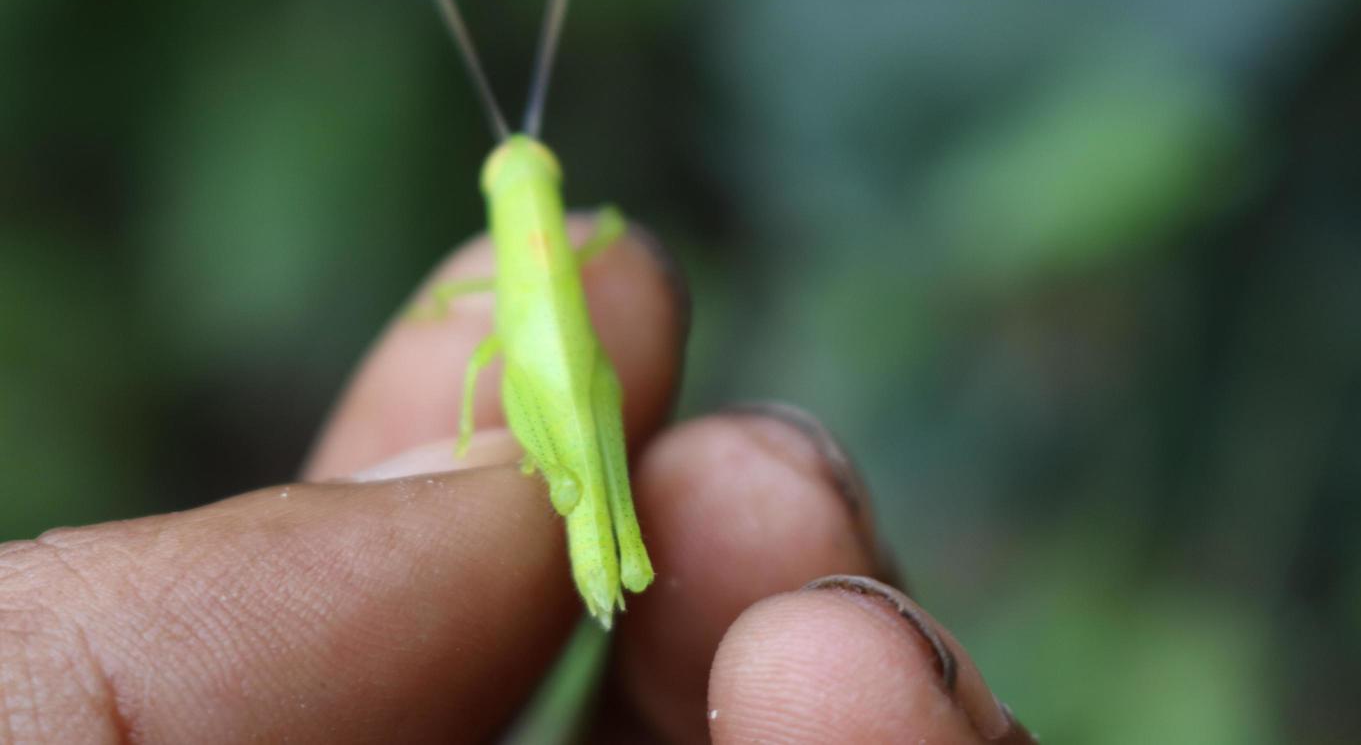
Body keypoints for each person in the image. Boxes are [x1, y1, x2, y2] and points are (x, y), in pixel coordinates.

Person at [0, 221, 1035, 743]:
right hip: (547, 377)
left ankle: (606, 544)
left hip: (559, 365)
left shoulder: (525, 250)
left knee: (580, 386)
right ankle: (601, 545)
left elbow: (474, 301)